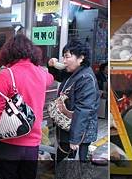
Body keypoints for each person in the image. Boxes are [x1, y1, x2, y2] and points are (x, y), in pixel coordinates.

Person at [0, 35, 54, 179]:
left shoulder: (7, 74)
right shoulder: (42, 74)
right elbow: (50, 78)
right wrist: (36, 64)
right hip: (32, 146)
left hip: (8, 144)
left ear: (8, 53)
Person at [48, 41, 99, 175]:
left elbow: (84, 110)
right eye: (63, 57)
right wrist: (52, 66)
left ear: (81, 58)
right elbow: (59, 77)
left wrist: (75, 138)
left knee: (75, 166)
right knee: (64, 163)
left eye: (67, 56)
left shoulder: (86, 78)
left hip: (80, 133)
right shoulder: (74, 73)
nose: (64, 61)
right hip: (69, 128)